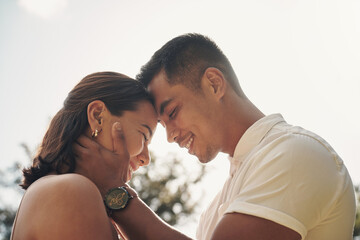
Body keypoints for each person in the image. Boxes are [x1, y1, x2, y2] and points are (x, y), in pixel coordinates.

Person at [74, 34, 356, 240]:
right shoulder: (214, 211)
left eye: (172, 112)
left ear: (213, 84)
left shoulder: (295, 153)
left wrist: (115, 192)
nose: (170, 137)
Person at [11, 72, 159, 240]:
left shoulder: (58, 189)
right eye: (144, 136)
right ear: (97, 116)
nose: (146, 158)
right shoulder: (72, 190)